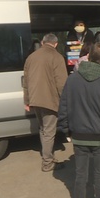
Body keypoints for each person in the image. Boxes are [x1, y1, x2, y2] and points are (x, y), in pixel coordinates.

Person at [57, 42, 100, 198]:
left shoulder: (72, 80)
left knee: (80, 175)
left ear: (89, 57)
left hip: (78, 135)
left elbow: (63, 108)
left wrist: (66, 131)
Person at [23, 33, 68, 172]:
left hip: (35, 100)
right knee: (49, 132)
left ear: (43, 42)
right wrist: (65, 101)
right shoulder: (57, 57)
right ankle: (47, 162)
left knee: (43, 130)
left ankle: (48, 156)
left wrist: (27, 100)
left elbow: (26, 82)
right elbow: (62, 83)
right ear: (55, 44)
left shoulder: (31, 57)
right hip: (50, 100)